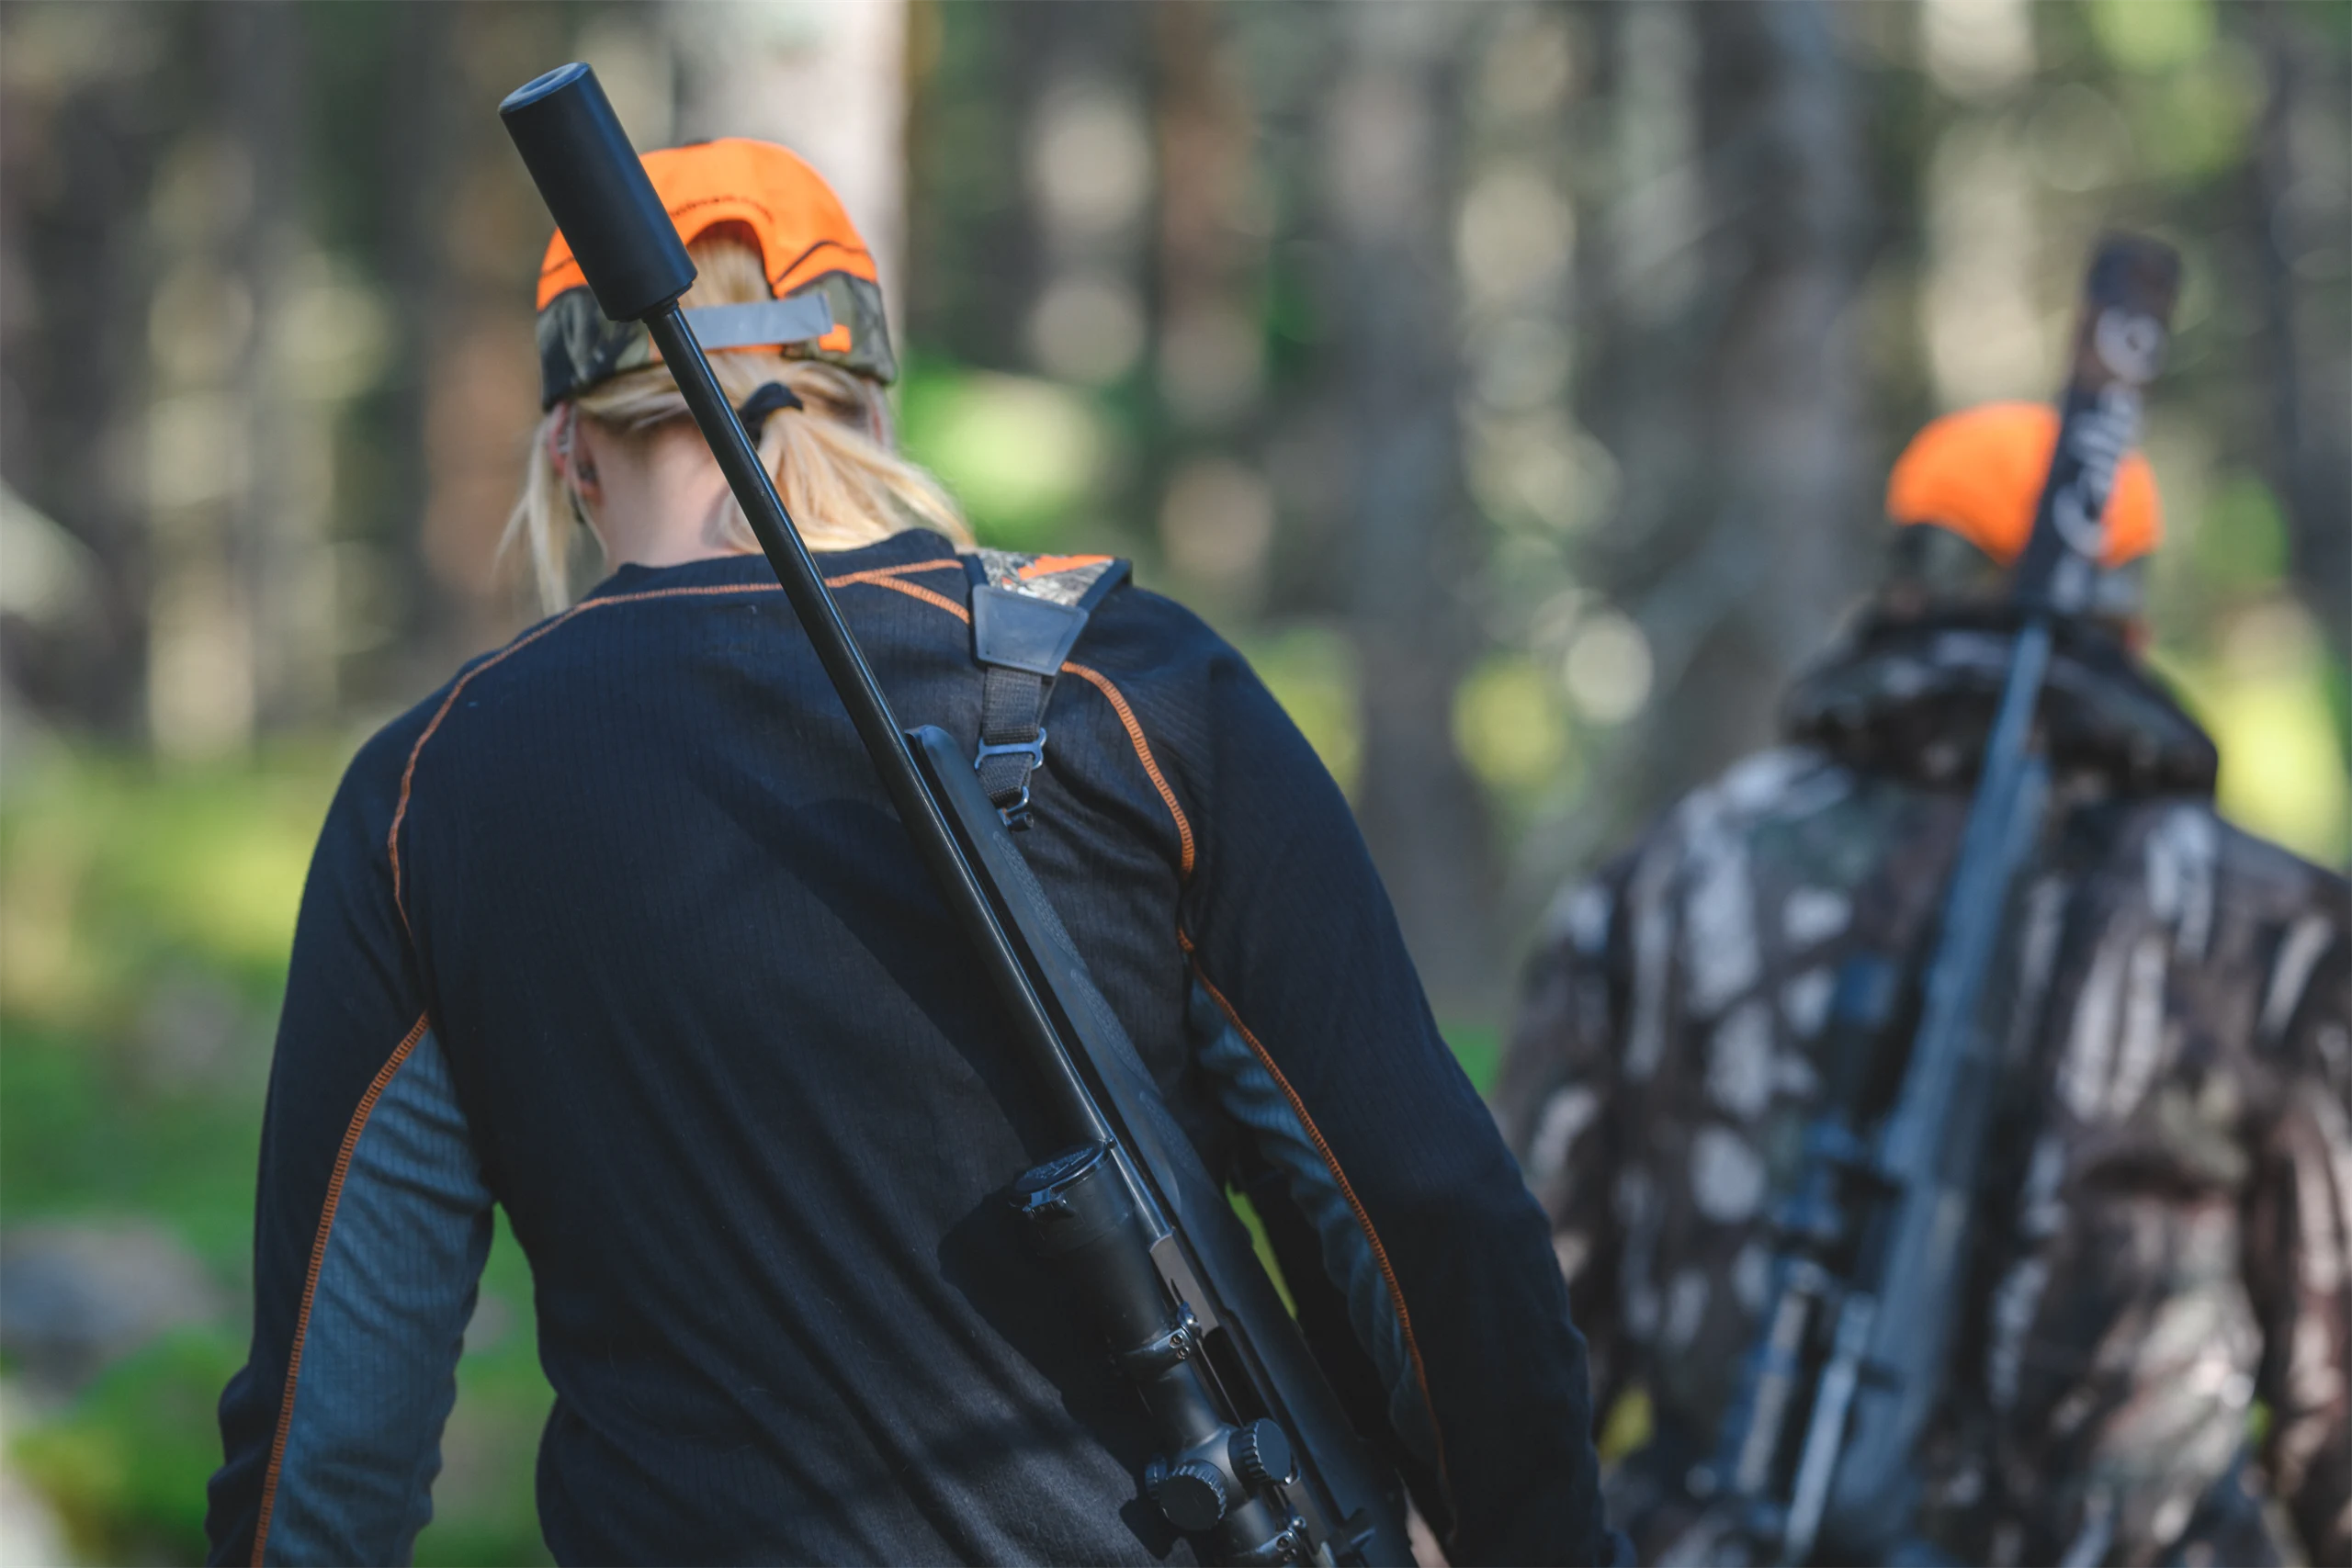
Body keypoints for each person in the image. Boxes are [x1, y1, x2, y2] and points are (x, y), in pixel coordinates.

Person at [204, 137, 1611, 1567]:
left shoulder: (433, 793)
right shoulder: (1133, 690)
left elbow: (332, 1425)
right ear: (869, 405)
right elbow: (1422, 1213)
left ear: (567, 453)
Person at [1495, 402, 2352, 1568]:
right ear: (2137, 618)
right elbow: (2335, 1390)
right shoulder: (2269, 924)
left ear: (1902, 585)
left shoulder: (1665, 882)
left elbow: (1526, 1341)